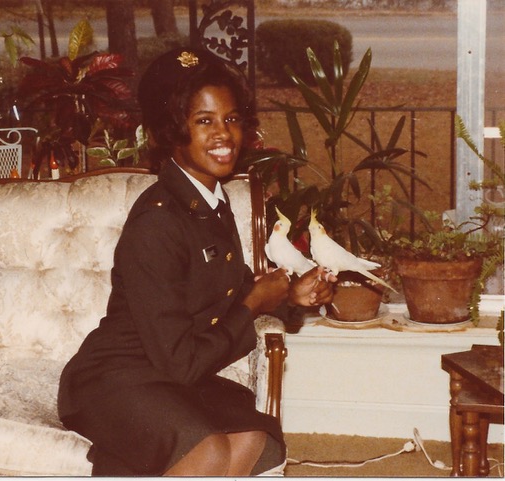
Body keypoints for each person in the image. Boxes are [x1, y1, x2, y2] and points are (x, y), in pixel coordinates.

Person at [57, 47, 335, 476]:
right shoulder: (158, 221)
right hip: (115, 377)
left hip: (168, 374)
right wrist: (255, 304)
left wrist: (290, 297)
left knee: (254, 439)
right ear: (171, 131)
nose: (223, 134)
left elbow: (231, 289)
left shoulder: (213, 201)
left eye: (231, 119)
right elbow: (184, 357)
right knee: (205, 450)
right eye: (203, 121)